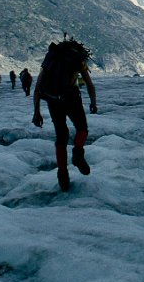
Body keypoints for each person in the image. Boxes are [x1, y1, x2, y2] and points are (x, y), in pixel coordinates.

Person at [32, 38, 97, 192]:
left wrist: (36, 112)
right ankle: (78, 152)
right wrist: (93, 102)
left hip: (53, 100)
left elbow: (37, 87)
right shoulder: (77, 59)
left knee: (61, 137)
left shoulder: (51, 58)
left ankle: (63, 174)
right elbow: (89, 84)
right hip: (71, 98)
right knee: (82, 128)